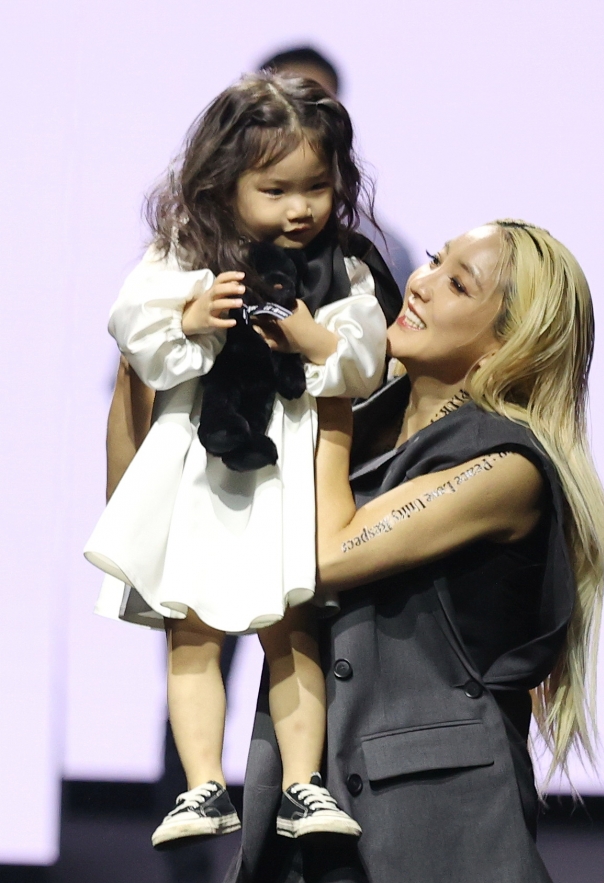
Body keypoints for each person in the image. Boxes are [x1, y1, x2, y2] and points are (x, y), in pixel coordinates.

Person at [225, 220, 604, 883]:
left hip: (443, 835)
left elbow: (329, 553)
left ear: (504, 346)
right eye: (435, 259)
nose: (420, 282)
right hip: (306, 821)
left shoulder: (505, 467)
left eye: (457, 282)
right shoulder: (365, 420)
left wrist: (332, 380)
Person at [84, 72, 402, 850]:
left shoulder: (344, 265)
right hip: (201, 474)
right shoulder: (188, 252)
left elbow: (367, 356)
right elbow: (135, 325)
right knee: (191, 630)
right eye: (277, 189)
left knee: (291, 629)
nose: (301, 208)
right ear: (226, 185)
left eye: (317, 187)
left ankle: (303, 781)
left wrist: (311, 336)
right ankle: (201, 784)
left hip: (289, 480)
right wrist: (190, 315)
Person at [258, 46, 416, 292]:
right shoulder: (196, 236)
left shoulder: (383, 252)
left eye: (315, 106)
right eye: (281, 105)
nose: (297, 118)